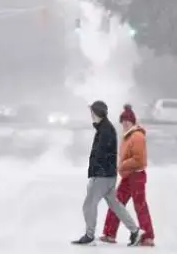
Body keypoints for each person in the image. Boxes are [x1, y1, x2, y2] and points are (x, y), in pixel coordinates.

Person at [72, 100, 145, 246]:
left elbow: (102, 155)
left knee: (89, 204)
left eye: (92, 112)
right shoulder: (104, 128)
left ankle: (89, 235)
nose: (91, 115)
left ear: (97, 113)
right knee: (115, 205)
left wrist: (96, 174)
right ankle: (135, 231)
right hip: (107, 175)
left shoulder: (105, 130)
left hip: (103, 176)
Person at [99, 104, 155, 247]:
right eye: (123, 120)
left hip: (136, 176)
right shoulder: (127, 136)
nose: (124, 123)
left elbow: (139, 159)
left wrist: (122, 166)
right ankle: (109, 234)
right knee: (116, 203)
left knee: (140, 206)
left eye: (127, 120)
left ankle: (147, 237)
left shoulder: (137, 136)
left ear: (133, 121)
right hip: (128, 176)